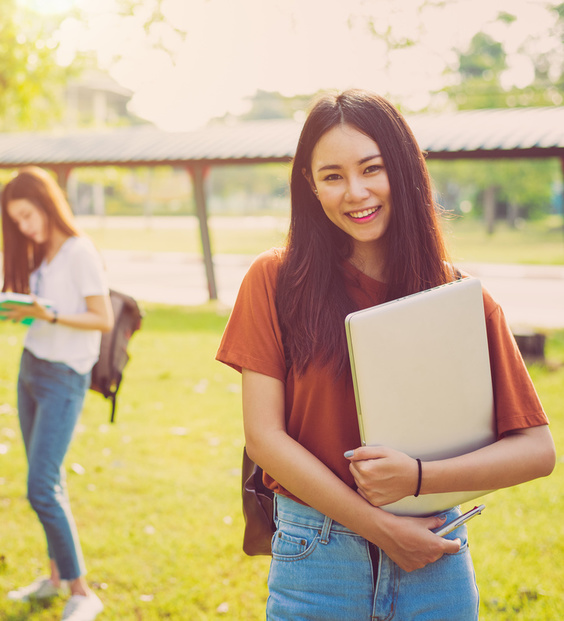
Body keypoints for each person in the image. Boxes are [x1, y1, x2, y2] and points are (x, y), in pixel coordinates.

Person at [216, 89, 555, 620]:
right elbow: (264, 437)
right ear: (310, 185)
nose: (355, 193)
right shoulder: (275, 279)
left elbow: (537, 450)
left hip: (433, 557)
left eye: (372, 169)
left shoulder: (460, 297)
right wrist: (380, 528)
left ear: (403, 169)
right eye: (332, 176)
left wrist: (419, 478)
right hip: (317, 558)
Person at [0, 167, 113, 621]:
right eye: (17, 220)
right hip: (31, 368)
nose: (25, 226)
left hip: (65, 375)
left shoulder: (79, 251)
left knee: (41, 486)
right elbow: (43, 313)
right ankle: (55, 578)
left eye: (28, 215)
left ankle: (83, 592)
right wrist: (20, 311)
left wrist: (48, 313)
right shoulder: (39, 252)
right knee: (50, 480)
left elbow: (100, 318)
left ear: (47, 203)